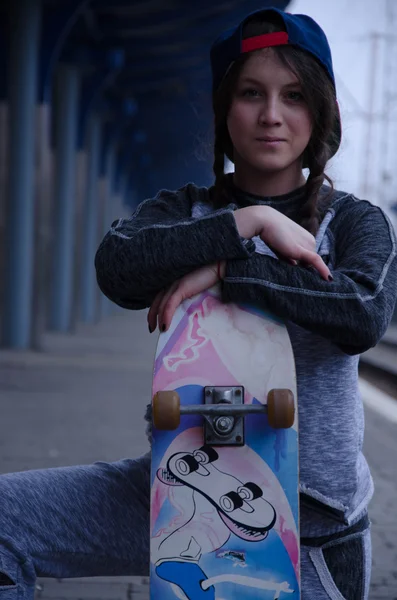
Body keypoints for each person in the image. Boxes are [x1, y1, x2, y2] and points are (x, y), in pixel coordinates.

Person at [0, 7, 396, 600]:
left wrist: (223, 270)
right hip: (179, 493)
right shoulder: (186, 211)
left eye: (293, 95)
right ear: (222, 109)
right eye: (250, 93)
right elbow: (119, 265)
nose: (271, 115)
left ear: (323, 111)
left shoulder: (354, 223)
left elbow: (362, 313)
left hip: (309, 532)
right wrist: (250, 222)